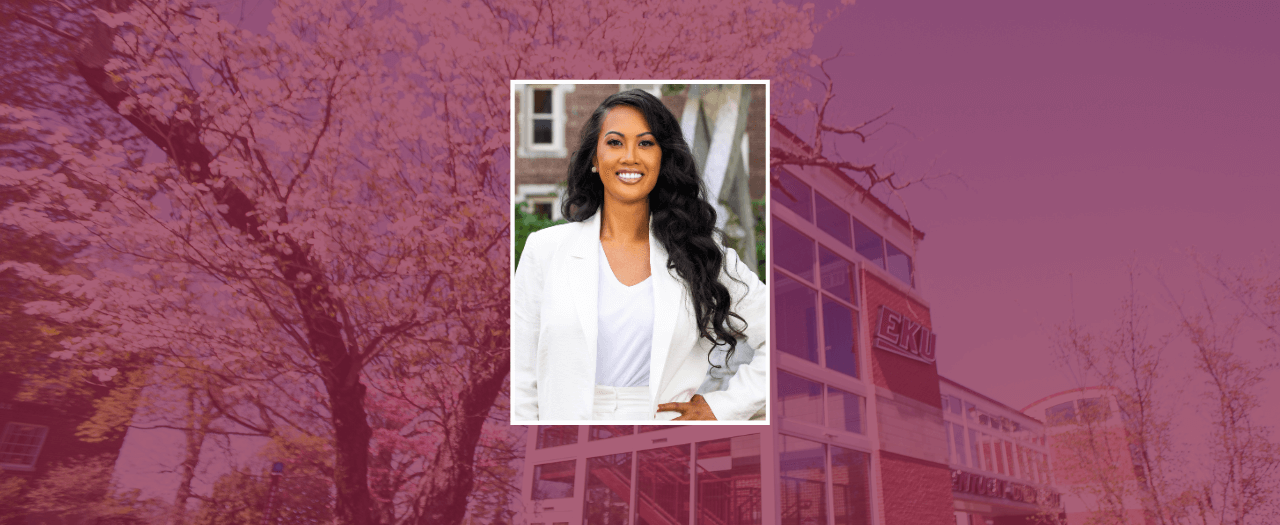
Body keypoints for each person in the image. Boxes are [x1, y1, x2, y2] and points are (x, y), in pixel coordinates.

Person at [511, 88, 768, 422]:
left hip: (665, 446)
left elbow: (781, 335)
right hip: (564, 441)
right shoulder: (544, 250)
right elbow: (522, 377)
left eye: (646, 143)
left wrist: (722, 407)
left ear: (663, 158)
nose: (630, 156)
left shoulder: (699, 253)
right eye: (615, 142)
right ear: (594, 157)